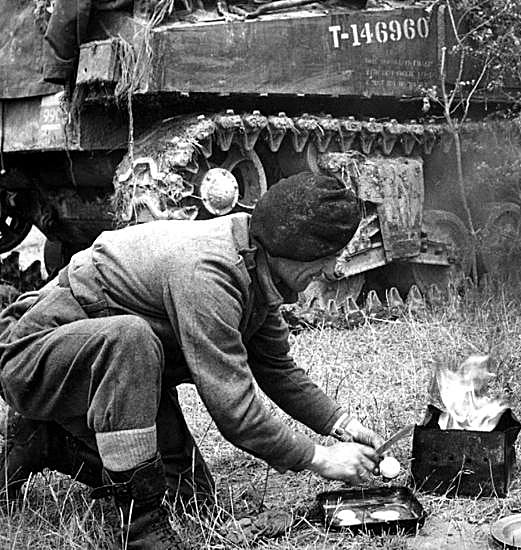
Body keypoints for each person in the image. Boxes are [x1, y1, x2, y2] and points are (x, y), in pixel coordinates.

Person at [0, 172, 382, 548]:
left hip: (117, 377)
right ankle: (141, 529)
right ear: (292, 248)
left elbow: (277, 369)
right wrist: (320, 459)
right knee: (130, 337)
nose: (334, 269)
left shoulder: (257, 264)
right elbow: (236, 413)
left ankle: (46, 441)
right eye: (328, 255)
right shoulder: (210, 273)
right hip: (33, 357)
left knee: (189, 499)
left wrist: (341, 424)